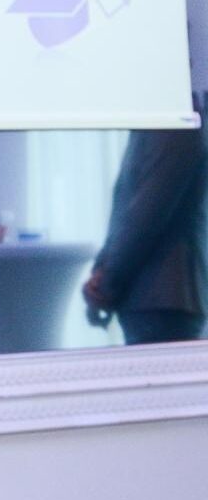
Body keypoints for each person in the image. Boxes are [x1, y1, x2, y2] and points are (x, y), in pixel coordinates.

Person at [83, 117, 208, 345]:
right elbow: (129, 212)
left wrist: (105, 285)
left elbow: (144, 217)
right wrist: (102, 279)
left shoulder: (176, 125)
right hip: (156, 300)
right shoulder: (160, 124)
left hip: (164, 301)